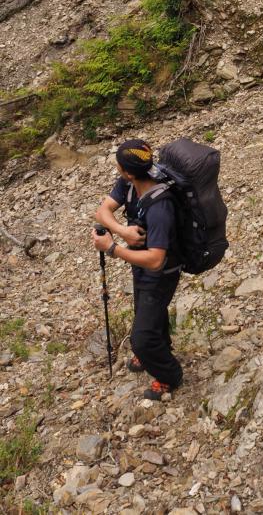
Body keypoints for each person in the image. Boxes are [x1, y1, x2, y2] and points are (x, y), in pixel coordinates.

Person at [92, 139, 183, 401]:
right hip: (140, 264)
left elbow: (155, 260)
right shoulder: (130, 182)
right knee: (146, 310)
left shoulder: (160, 206)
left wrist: (112, 248)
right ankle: (157, 350)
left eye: (119, 166)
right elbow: (103, 211)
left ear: (128, 171)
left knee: (141, 339)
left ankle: (169, 375)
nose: (118, 170)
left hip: (162, 272)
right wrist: (122, 232)